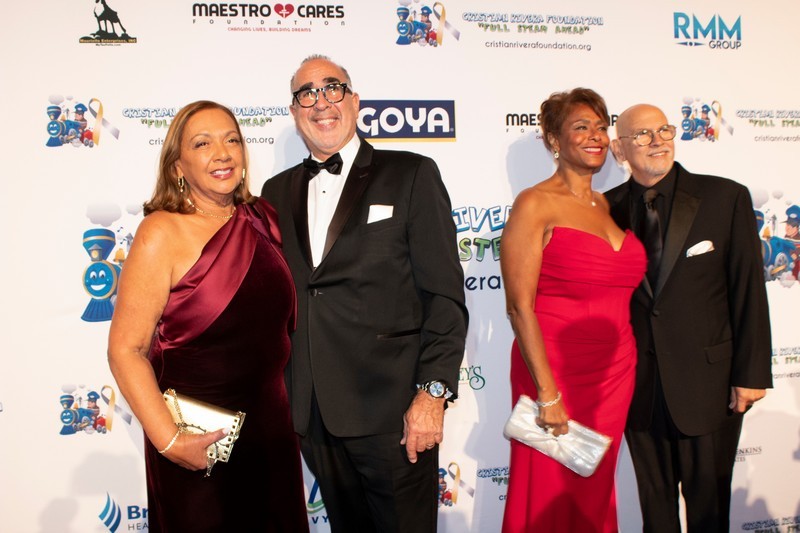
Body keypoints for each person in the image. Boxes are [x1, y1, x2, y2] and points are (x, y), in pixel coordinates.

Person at [261, 55, 468, 533]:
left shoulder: (411, 174)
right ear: (294, 112)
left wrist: (432, 394)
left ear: (355, 102)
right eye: (306, 94)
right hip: (313, 414)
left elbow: (444, 296)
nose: (321, 103)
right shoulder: (274, 192)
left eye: (332, 88)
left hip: (394, 412)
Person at [107, 100, 308, 532]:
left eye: (231, 140)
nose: (222, 153)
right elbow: (127, 350)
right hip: (197, 443)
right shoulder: (161, 231)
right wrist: (170, 441)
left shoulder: (264, 218)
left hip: (272, 434)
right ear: (178, 165)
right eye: (202, 143)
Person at [606, 103, 773, 532]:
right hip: (639, 390)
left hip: (710, 387)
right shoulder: (604, 209)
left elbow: (748, 290)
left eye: (664, 130)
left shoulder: (724, 197)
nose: (657, 141)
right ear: (619, 149)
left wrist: (751, 374)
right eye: (642, 135)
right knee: (655, 513)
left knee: (709, 514)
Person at [500, 88, 646, 532]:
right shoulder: (535, 202)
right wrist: (548, 393)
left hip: (614, 375)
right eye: (581, 127)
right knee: (548, 493)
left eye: (601, 127)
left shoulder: (613, 205)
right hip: (555, 372)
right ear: (554, 140)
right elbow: (518, 307)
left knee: (595, 492)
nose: (595, 136)